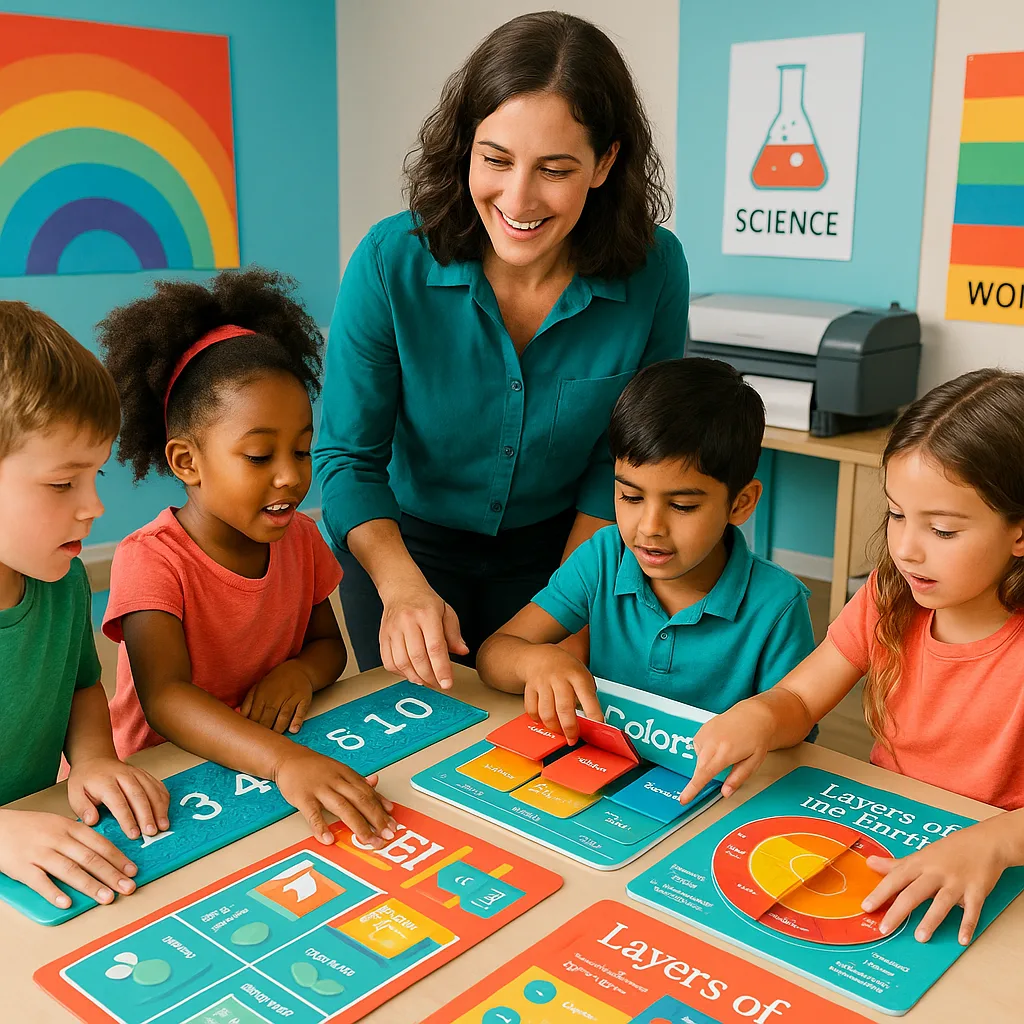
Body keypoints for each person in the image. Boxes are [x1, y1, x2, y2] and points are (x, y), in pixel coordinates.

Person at [314, 11, 689, 691]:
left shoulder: (655, 272)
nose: (517, 199)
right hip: (402, 548)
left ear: (605, 163)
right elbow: (348, 458)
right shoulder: (388, 261)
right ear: (465, 148)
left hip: (564, 555)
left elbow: (627, 456)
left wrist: (572, 610)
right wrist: (401, 589)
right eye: (496, 159)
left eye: (555, 169)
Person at [679, 368, 1024, 946]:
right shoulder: (889, 598)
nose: (906, 547)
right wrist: (761, 715)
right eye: (895, 514)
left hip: (997, 869)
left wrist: (996, 840)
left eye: (941, 530)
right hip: (885, 838)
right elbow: (798, 697)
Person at [98, 269, 396, 849]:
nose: (290, 475)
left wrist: (298, 673)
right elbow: (165, 699)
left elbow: (327, 647)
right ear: (187, 462)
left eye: (303, 449)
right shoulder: (150, 560)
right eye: (259, 455)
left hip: (261, 767)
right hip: (160, 786)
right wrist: (284, 761)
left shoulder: (302, 539)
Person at [477, 358, 815, 742]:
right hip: (599, 770)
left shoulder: (778, 603)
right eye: (630, 496)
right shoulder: (603, 558)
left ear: (740, 503)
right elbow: (494, 655)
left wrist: (766, 721)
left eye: (682, 506)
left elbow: (798, 726)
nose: (649, 528)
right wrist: (535, 660)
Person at [0, 301, 169, 911]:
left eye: (95, 475)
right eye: (62, 483)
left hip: (38, 843)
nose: (94, 506)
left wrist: (94, 758)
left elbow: (80, 686)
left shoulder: (60, 578)